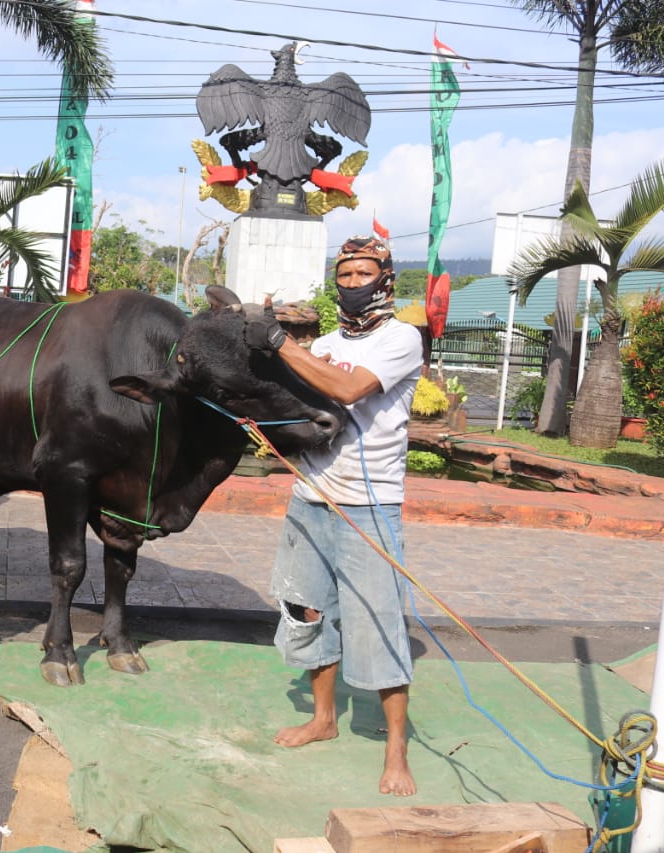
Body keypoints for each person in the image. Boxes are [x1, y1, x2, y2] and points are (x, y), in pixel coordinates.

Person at [245, 236, 423, 797]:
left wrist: (279, 342)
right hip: (311, 496)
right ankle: (323, 720)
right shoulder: (322, 341)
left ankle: (396, 748)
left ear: (385, 278)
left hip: (369, 507)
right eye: (343, 275)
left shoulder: (402, 340)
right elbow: (300, 402)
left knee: (378, 623)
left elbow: (347, 387)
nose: (352, 283)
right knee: (306, 608)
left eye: (362, 273)